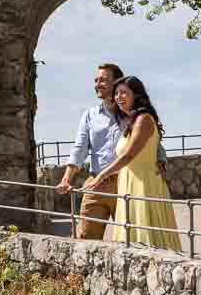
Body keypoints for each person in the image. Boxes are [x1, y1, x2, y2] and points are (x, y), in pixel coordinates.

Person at [55, 64, 168, 239]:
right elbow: (79, 149)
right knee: (85, 239)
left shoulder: (132, 113)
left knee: (130, 239)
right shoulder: (90, 115)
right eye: (96, 80)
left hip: (125, 184)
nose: (97, 84)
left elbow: (150, 139)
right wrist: (66, 179)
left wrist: (160, 158)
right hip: (96, 184)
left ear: (117, 82)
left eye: (103, 80)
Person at [91, 76, 182, 251]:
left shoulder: (144, 119)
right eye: (116, 93)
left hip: (144, 185)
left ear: (137, 95)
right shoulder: (131, 121)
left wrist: (101, 176)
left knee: (147, 235)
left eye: (124, 92)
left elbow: (129, 155)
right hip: (129, 183)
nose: (119, 97)